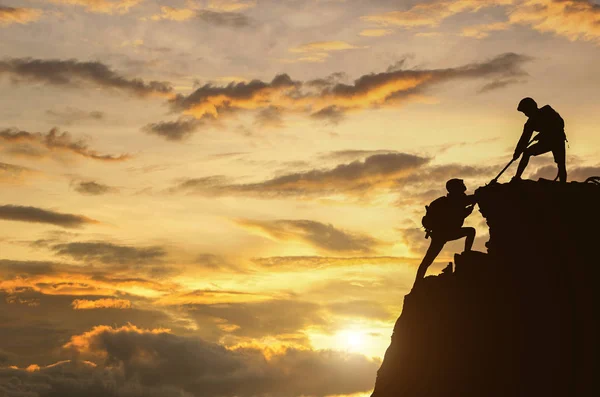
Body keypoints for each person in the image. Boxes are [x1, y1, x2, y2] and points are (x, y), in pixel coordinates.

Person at [413, 179, 476, 288]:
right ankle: (467, 253)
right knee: (470, 231)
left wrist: (466, 212)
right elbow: (471, 201)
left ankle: (417, 283)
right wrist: (467, 211)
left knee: (427, 260)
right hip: (443, 234)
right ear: (456, 189)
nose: (464, 187)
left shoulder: (450, 201)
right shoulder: (455, 201)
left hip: (443, 234)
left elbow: (458, 213)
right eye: (461, 186)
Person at [512, 97, 567, 182]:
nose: (525, 114)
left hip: (557, 140)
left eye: (526, 111)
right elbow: (524, 139)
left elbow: (560, 123)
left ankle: (563, 184)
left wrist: (542, 134)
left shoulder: (547, 111)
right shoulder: (529, 123)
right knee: (526, 152)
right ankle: (517, 177)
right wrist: (517, 152)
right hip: (545, 142)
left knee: (561, 164)